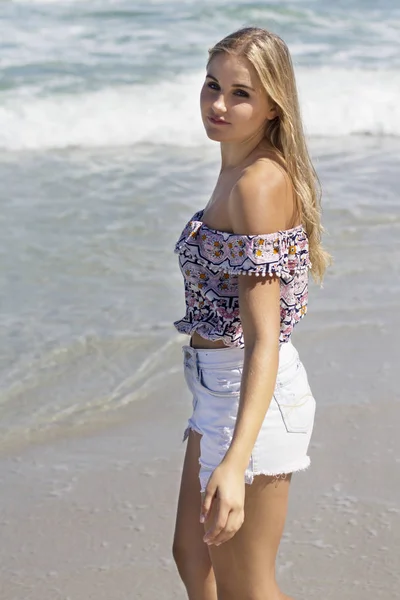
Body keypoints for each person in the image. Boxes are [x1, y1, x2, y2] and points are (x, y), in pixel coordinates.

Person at [172, 27, 331, 600]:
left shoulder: (258, 185)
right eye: (212, 85)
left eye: (240, 94)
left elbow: (263, 339)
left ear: (271, 108)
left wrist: (236, 462)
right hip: (217, 392)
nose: (218, 104)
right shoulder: (236, 171)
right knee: (193, 558)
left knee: (248, 589)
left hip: (252, 399)